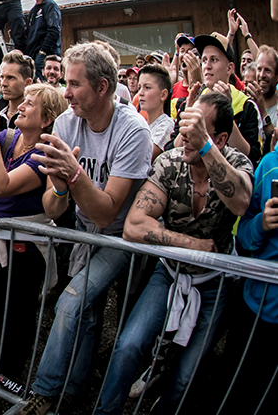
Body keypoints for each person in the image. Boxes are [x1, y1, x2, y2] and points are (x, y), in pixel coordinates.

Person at [97, 92, 252, 415]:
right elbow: (134, 226)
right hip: (169, 271)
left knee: (185, 375)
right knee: (128, 347)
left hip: (215, 282)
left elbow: (240, 203)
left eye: (197, 133)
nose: (186, 138)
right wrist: (192, 245)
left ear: (221, 138)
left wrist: (206, 148)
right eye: (185, 130)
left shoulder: (236, 162)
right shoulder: (170, 161)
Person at [20, 43, 153, 415]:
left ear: (103, 87)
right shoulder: (65, 123)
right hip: (81, 229)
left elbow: (107, 213)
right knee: (88, 313)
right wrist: (62, 185)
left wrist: (73, 174)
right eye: (66, 82)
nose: (65, 92)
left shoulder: (133, 130)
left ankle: (44, 394)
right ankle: (75, 390)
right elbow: (52, 206)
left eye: (75, 84)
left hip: (120, 236)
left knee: (70, 302)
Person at [0, 83, 67, 405]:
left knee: (16, 315)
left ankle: (6, 378)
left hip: (28, 247)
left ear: (46, 119)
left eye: (30, 104)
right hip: (0, 239)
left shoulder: (44, 155)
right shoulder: (8, 139)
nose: (20, 106)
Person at [219, 134, 278, 412]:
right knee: (237, 389)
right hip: (256, 308)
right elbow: (242, 235)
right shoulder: (269, 165)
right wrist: (261, 224)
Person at [171, 33, 261, 166]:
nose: (207, 66)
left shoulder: (246, 106)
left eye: (214, 60)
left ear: (230, 68)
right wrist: (188, 119)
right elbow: (173, 151)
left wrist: (227, 114)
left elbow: (251, 157)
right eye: (204, 60)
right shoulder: (190, 102)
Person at [21, 0, 62, 77]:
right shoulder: (33, 11)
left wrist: (43, 52)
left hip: (46, 57)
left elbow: (54, 30)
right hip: (33, 57)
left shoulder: (50, 6)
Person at [136, 64, 174, 160]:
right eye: (139, 87)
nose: (140, 93)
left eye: (147, 87)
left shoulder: (166, 125)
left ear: (163, 94)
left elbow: (145, 156)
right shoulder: (141, 124)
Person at [0, 52, 32, 132]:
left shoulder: (34, 117)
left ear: (27, 83)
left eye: (10, 78)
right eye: (1, 77)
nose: (3, 83)